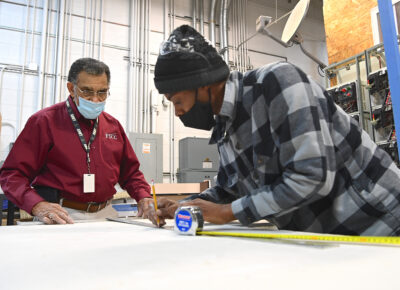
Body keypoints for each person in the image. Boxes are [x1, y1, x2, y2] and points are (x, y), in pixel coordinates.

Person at [153, 25, 400, 236]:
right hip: (330, 239)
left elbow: (312, 177)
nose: (178, 113)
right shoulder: (224, 127)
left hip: (381, 221)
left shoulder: (277, 82)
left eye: (176, 101)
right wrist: (184, 206)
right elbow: (230, 189)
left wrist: (227, 213)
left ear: (202, 84)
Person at [0, 58, 162, 226]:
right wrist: (36, 205)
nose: (95, 99)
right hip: (61, 215)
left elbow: (131, 173)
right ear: (71, 88)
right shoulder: (45, 122)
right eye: (86, 91)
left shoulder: (113, 126)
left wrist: (144, 197)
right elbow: (12, 174)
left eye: (102, 92)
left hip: (106, 213)